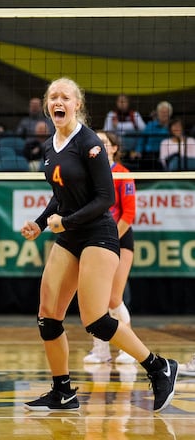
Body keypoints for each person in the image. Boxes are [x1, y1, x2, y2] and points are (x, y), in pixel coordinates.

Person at [21, 77, 177, 412]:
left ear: (77, 104)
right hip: (70, 234)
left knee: (96, 319)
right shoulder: (51, 145)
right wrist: (39, 221)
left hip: (98, 234)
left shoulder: (89, 142)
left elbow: (105, 198)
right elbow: (60, 196)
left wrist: (66, 221)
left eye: (65, 97)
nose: (57, 101)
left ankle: (159, 367)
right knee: (47, 317)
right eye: (52, 97)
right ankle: (62, 390)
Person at [83, 131, 136, 365]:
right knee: (97, 299)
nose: (100, 146)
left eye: (105, 143)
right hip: (94, 239)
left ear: (114, 148)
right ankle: (101, 351)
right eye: (97, 142)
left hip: (119, 238)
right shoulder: (88, 172)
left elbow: (129, 214)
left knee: (114, 297)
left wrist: (110, 237)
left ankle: (128, 349)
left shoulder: (123, 174)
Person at [102, 93, 146, 159]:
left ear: (128, 103)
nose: (122, 103)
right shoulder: (111, 114)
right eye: (120, 101)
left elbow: (144, 129)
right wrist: (130, 127)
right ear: (116, 103)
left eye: (124, 101)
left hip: (133, 146)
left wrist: (118, 125)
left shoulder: (135, 114)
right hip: (117, 146)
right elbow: (106, 131)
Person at [132, 101, 172, 169]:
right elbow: (142, 140)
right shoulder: (150, 125)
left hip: (168, 155)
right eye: (162, 112)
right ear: (158, 113)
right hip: (150, 155)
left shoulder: (173, 126)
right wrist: (138, 151)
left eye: (166, 112)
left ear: (170, 114)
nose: (164, 114)